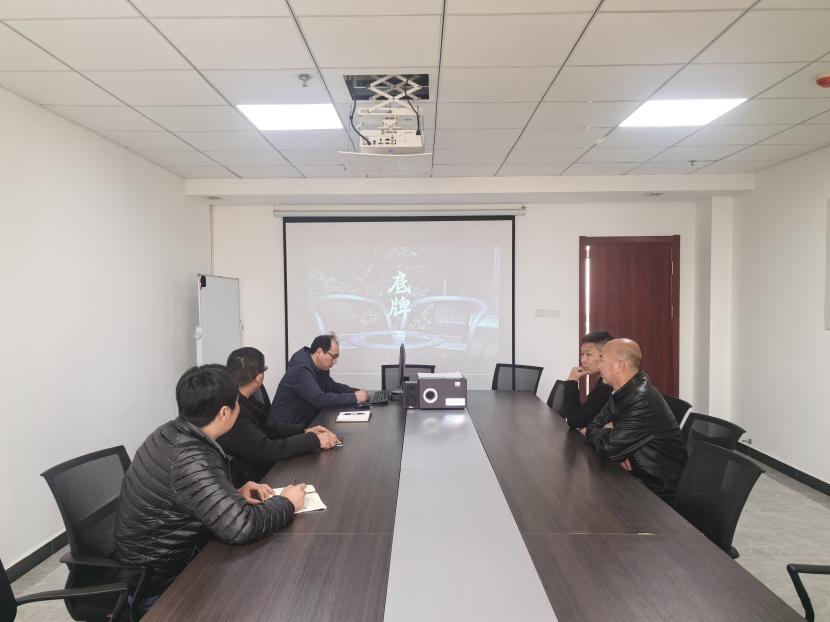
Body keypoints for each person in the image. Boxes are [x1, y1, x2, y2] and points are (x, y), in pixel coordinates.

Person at [114, 365, 307, 610]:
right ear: (225, 412)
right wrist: (288, 502)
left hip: (161, 559)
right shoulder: (191, 459)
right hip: (162, 585)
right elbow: (242, 526)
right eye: (237, 403)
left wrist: (231, 493)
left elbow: (186, 494)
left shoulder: (170, 433)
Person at [585, 338, 687, 503]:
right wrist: (617, 443)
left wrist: (615, 443)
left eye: (602, 359)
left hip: (656, 490)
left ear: (619, 365)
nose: (599, 365)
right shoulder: (621, 391)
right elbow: (592, 425)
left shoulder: (641, 399)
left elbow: (607, 448)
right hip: (636, 475)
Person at [220, 347, 340, 487]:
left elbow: (268, 426)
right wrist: (314, 441)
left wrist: (304, 431)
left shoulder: (242, 398)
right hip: (253, 481)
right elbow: (267, 450)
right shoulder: (233, 410)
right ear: (259, 377)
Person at [269, 333, 369, 428]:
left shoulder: (319, 367)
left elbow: (331, 386)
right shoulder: (300, 369)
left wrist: (356, 391)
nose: (335, 361)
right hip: (287, 428)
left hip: (305, 422)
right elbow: (319, 399)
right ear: (320, 352)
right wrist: (354, 397)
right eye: (333, 356)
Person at [560, 330, 614, 429]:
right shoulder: (605, 381)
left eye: (588, 355)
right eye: (582, 354)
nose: (583, 360)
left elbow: (575, 420)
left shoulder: (606, 387)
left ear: (605, 356)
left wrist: (571, 381)